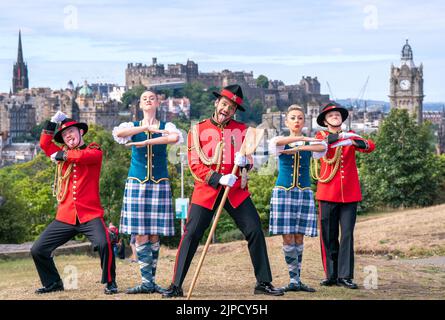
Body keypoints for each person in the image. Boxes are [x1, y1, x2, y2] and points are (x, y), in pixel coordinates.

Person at [162, 84, 284, 298]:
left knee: (255, 230)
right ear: (216, 103)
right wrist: (219, 178)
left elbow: (250, 163)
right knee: (191, 235)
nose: (227, 109)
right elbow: (194, 165)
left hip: (235, 190)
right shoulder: (196, 129)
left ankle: (263, 283)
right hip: (207, 189)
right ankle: (175, 285)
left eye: (232, 107)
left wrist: (245, 162)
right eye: (225, 104)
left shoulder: (244, 131)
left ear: (234, 111)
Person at [31, 111, 117, 295]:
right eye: (64, 134)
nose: (68, 135)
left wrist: (62, 155)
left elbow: (82, 157)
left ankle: (110, 282)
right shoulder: (63, 153)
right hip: (66, 215)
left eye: (71, 131)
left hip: (90, 214)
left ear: (81, 132)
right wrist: (52, 122)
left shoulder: (94, 149)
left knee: (104, 244)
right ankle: (53, 283)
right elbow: (44, 144)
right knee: (38, 249)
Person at [112, 90, 183, 294]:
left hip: (159, 182)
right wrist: (145, 128)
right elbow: (118, 134)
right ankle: (146, 282)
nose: (149, 100)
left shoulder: (166, 126)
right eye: (145, 99)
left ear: (158, 102)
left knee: (154, 234)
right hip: (137, 183)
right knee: (141, 232)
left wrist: (147, 140)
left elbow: (174, 137)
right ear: (140, 105)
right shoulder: (132, 126)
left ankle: (150, 282)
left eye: (152, 98)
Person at [313, 102, 375, 289]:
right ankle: (331, 274)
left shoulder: (351, 136)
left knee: (347, 235)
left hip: (349, 193)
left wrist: (352, 140)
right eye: (330, 115)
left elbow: (370, 146)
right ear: (325, 120)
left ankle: (345, 276)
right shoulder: (321, 136)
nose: (335, 116)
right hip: (328, 192)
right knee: (329, 235)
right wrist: (340, 138)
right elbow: (321, 145)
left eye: (338, 114)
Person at [268, 105, 327, 293]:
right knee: (287, 235)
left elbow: (323, 147)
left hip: (303, 191)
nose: (296, 121)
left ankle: (297, 279)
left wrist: (300, 145)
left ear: (304, 121)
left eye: (300, 118)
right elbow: (274, 146)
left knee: (299, 235)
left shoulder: (311, 142)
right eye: (293, 118)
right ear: (286, 122)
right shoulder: (279, 139)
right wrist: (302, 139)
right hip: (283, 191)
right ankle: (293, 279)